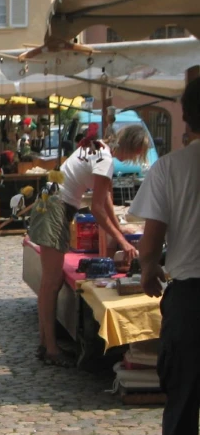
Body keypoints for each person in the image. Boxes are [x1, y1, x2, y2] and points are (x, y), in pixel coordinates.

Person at [129, 78, 200, 435]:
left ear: (187, 117)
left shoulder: (171, 167)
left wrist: (150, 270)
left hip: (190, 294)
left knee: (183, 398)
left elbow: (151, 240)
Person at [28, 124, 149, 368]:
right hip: (54, 208)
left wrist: (120, 230)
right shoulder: (105, 159)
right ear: (134, 148)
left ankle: (46, 343)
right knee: (51, 283)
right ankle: (50, 349)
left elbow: (105, 200)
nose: (136, 159)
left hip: (52, 205)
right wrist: (123, 241)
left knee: (51, 282)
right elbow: (97, 209)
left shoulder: (101, 150)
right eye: (139, 154)